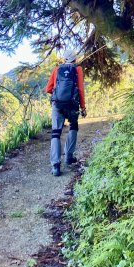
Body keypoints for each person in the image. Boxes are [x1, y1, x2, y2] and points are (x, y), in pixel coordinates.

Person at [45, 48, 86, 177]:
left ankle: (56, 166)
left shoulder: (57, 69)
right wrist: (83, 107)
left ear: (64, 58)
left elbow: (48, 89)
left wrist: (59, 95)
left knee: (56, 133)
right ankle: (69, 156)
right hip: (72, 104)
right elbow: (80, 90)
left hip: (57, 104)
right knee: (73, 127)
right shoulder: (78, 69)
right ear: (75, 58)